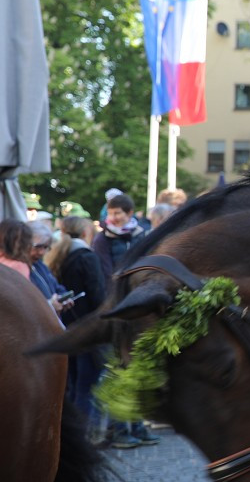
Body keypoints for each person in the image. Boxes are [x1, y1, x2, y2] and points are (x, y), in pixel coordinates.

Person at [91, 191, 160, 447]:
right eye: (110, 213)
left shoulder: (141, 235)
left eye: (118, 213)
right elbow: (106, 274)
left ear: (129, 214)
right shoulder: (102, 239)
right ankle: (118, 430)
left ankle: (138, 426)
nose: (113, 217)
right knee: (119, 369)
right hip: (117, 311)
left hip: (139, 309)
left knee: (137, 369)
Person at [47, 216, 109, 442]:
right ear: (85, 233)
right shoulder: (86, 256)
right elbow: (97, 295)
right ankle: (82, 439)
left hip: (67, 328)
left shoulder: (59, 254)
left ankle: (69, 436)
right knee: (86, 387)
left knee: (72, 386)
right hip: (87, 330)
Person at [26, 221, 74, 317]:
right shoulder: (18, 269)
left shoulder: (39, 265)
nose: (42, 252)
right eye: (38, 247)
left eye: (45, 247)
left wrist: (63, 297)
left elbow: (56, 286)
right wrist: (49, 305)